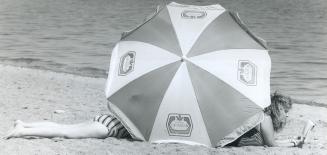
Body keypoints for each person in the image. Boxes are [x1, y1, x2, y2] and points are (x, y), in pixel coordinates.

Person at [4, 92, 315, 148]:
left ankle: (25, 125)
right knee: (69, 134)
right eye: (285, 110)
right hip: (110, 125)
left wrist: (291, 141)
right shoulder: (262, 118)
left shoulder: (151, 112)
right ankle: (22, 130)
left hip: (111, 122)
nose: (286, 115)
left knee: (67, 130)